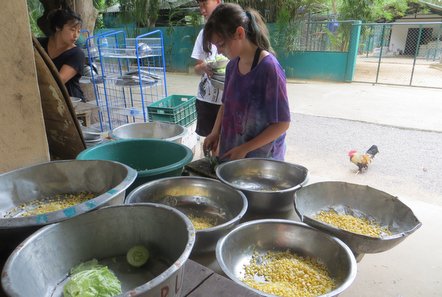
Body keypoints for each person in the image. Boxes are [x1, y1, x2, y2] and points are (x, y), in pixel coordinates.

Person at [202, 3, 291, 161]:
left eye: (221, 44)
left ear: (240, 33)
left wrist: (245, 148)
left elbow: (282, 124)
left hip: (261, 161)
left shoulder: (269, 68)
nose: (220, 51)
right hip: (234, 154)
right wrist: (215, 132)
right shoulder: (231, 67)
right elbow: (225, 105)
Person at [191, 0, 223, 137]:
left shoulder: (234, 30)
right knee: (209, 142)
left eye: (205, 4)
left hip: (227, 100)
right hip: (206, 100)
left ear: (217, 1)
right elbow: (196, 68)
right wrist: (203, 67)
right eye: (200, 5)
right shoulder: (203, 34)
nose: (202, 10)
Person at [38, 9, 85, 101]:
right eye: (72, 30)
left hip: (70, 104)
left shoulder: (77, 54)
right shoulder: (38, 45)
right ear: (58, 27)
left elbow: (58, 81)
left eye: (78, 31)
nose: (76, 35)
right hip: (44, 100)